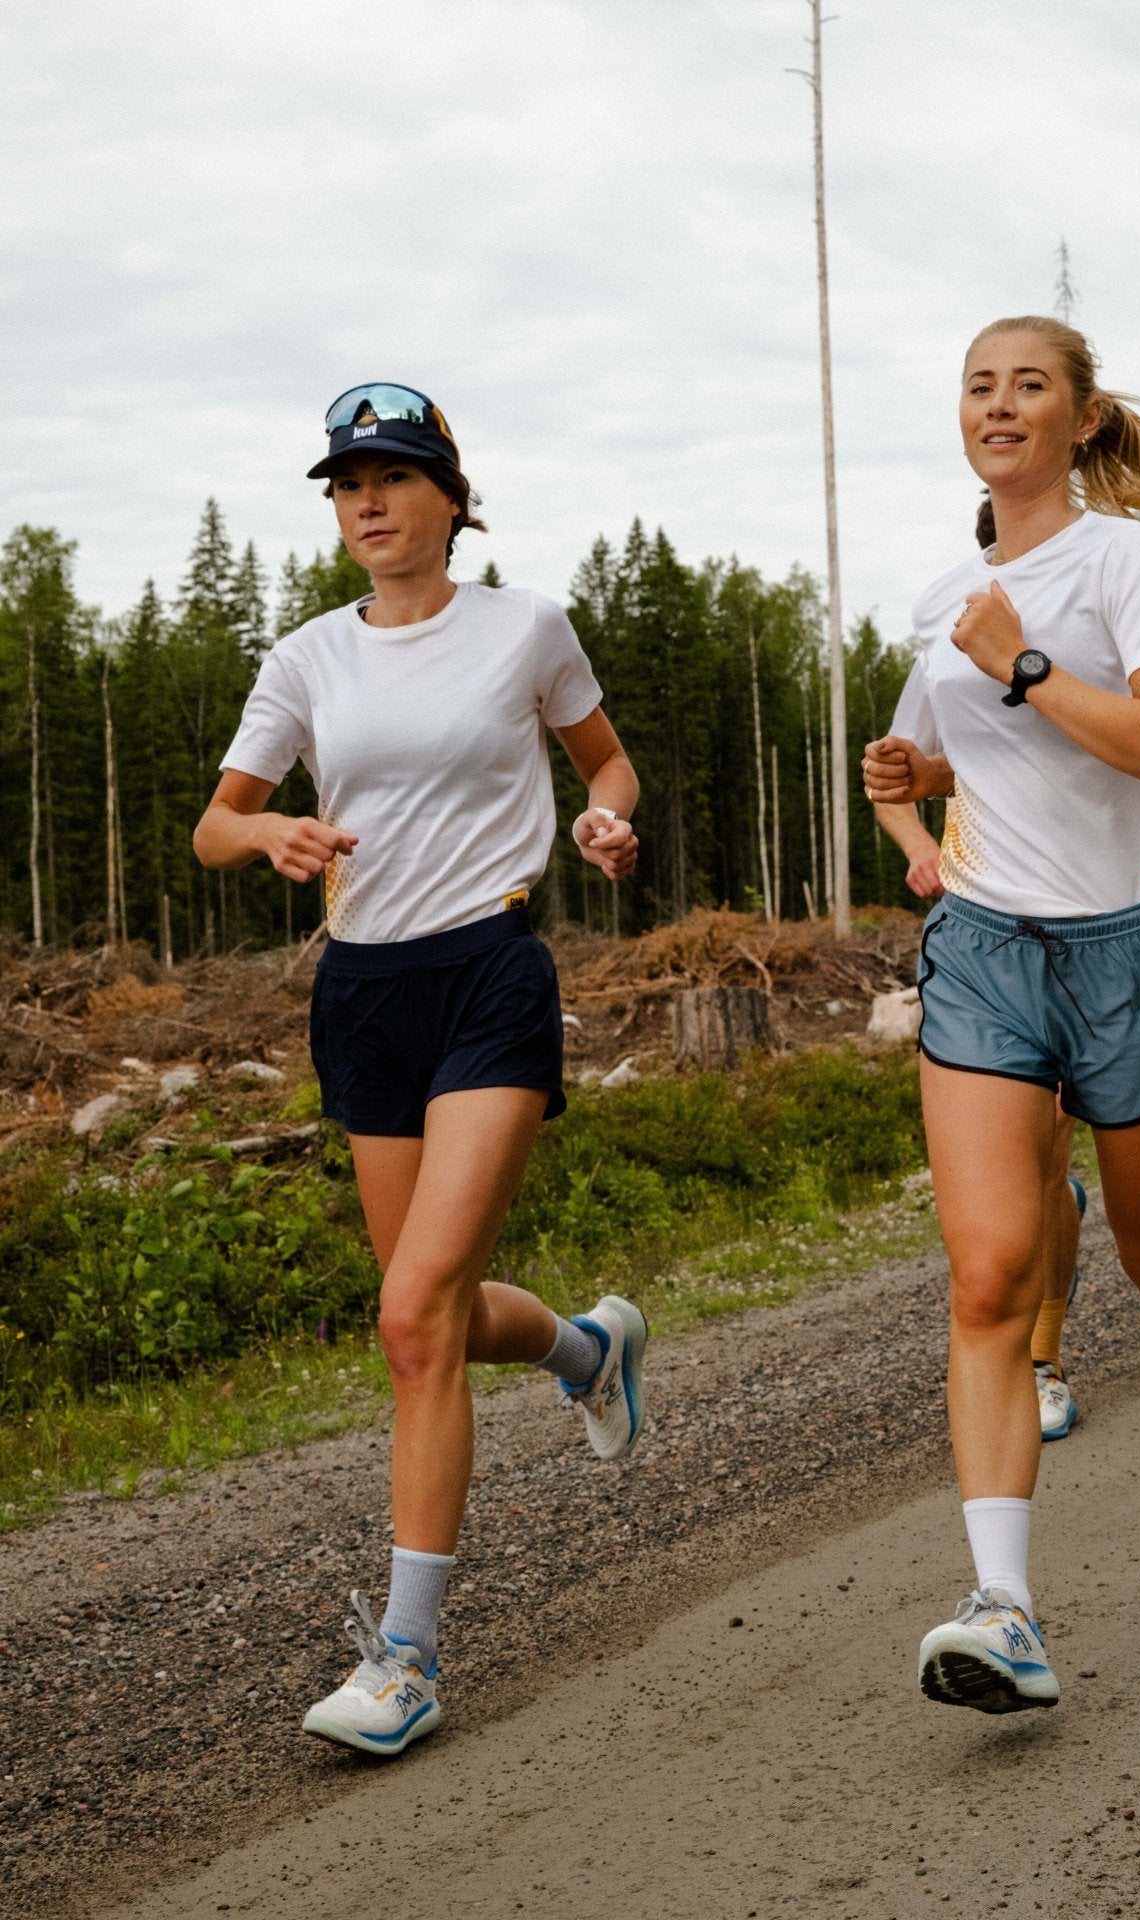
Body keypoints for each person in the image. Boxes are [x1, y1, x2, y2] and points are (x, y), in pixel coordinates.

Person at [194, 383, 647, 1756]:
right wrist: (265, 835)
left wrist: (607, 827)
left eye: (392, 475)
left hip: (490, 970)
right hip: (365, 989)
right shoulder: (307, 656)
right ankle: (586, 1348)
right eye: (345, 484)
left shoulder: (526, 627)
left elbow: (607, 765)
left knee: (410, 1321)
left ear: (452, 493)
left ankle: (405, 1658)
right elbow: (215, 824)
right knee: (427, 1316)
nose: (368, 502)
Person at [860, 315, 1140, 1717]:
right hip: (985, 948)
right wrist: (913, 766)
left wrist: (1027, 669)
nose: (997, 404)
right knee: (990, 1275)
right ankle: (1007, 1607)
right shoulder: (947, 594)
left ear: (1083, 418)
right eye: (977, 383)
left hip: (1127, 945)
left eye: (1026, 384)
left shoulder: (1125, 560)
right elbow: (973, 754)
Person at [878, 494, 1089, 1443]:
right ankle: (1026, 1357)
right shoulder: (953, 643)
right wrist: (917, 844)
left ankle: (1043, 1345)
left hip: (1088, 915)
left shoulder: (1082, 635)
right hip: (977, 921)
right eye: (991, 553)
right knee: (1027, 1153)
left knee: (1055, 1155)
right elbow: (892, 770)